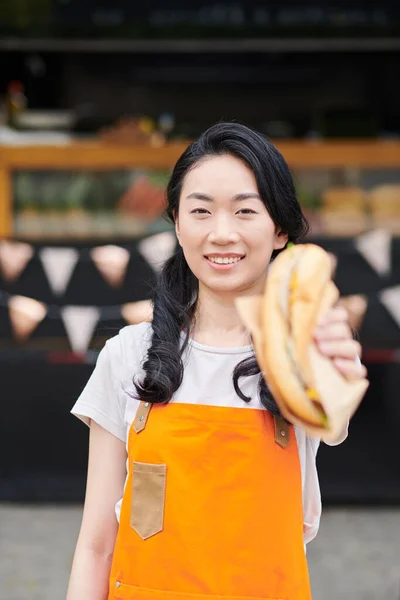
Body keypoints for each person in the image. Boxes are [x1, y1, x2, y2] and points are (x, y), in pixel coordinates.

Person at [67, 122, 367, 600]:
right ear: (177, 222)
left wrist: (339, 369)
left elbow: (332, 419)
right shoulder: (129, 354)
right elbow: (95, 547)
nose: (222, 234)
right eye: (201, 211)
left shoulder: (300, 353)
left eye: (245, 211)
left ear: (280, 229)